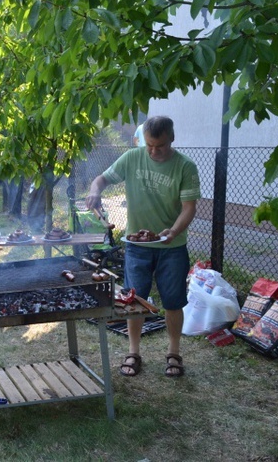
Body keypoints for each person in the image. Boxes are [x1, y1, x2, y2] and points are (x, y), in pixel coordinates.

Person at [85, 116, 201, 378]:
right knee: (134, 299)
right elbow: (101, 180)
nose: (153, 151)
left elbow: (189, 208)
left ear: (172, 138)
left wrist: (172, 231)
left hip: (172, 246)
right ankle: (133, 352)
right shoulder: (133, 158)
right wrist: (94, 191)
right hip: (136, 245)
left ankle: (173, 353)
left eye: (159, 146)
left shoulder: (185, 167)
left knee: (173, 302)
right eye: (149, 145)